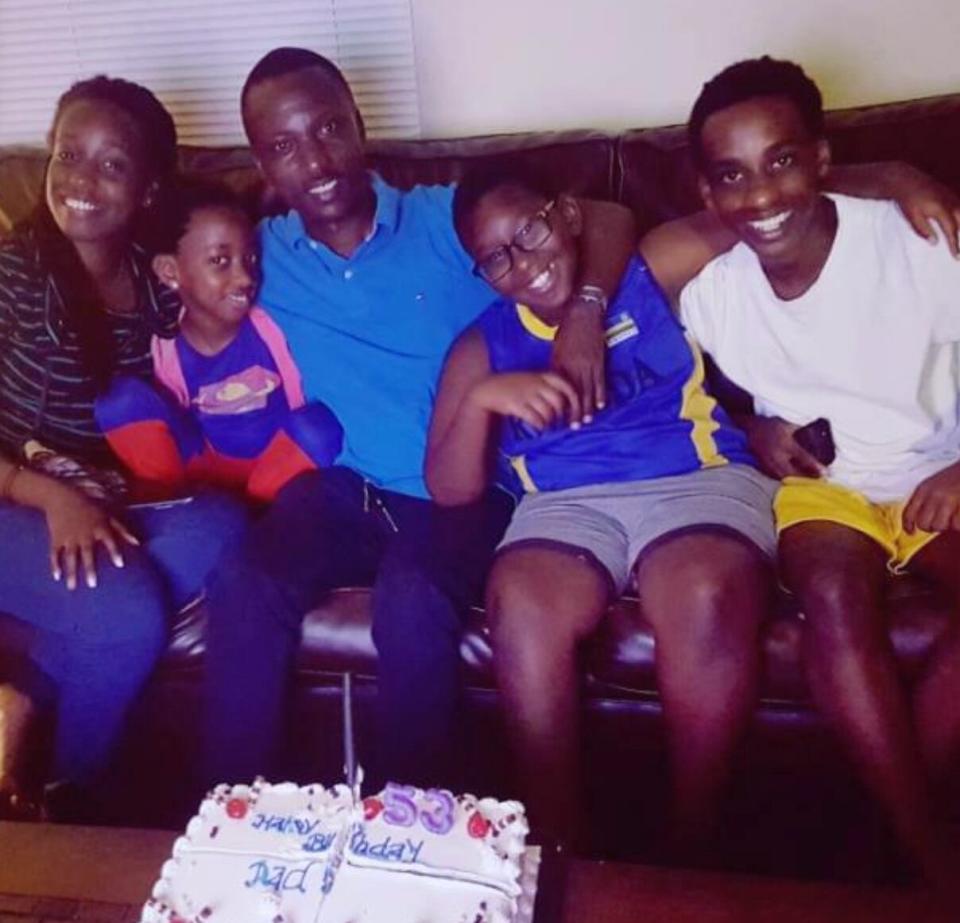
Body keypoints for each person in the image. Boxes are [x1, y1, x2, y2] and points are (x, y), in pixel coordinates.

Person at [201, 47, 636, 788]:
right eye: (284, 146)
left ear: (360, 125)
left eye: (329, 128)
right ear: (263, 166)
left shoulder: (447, 218)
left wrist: (587, 311)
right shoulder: (260, 256)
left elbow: (613, 216)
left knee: (412, 594)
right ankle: (228, 819)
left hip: (465, 486)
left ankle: (411, 828)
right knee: (243, 578)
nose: (317, 160)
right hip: (343, 487)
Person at [654, 55, 960, 881]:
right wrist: (751, 424)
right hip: (825, 488)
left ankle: (885, 819)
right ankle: (930, 855)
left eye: (783, 161)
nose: (761, 197)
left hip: (938, 468)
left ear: (824, 158)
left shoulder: (916, 236)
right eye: (732, 175)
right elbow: (672, 374)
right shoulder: (711, 288)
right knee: (830, 593)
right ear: (707, 191)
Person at [426, 166, 778, 849]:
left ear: (566, 212)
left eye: (529, 232)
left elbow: (754, 209)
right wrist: (483, 400)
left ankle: (694, 841)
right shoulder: (483, 342)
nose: (523, 264)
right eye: (495, 258)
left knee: (701, 588)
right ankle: (560, 846)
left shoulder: (645, 270)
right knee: (521, 600)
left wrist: (892, 175)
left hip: (694, 477)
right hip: (565, 504)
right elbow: (449, 487)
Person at [0, 77, 246, 819]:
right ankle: (64, 799)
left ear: (146, 190)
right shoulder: (13, 272)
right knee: (129, 609)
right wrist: (50, 496)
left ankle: (19, 699)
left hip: (101, 502)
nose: (79, 179)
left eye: (111, 164)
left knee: (221, 525)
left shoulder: (153, 282)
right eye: (69, 153)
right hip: (17, 495)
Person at [94, 181, 343, 502]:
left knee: (318, 427)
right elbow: (176, 415)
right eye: (219, 261)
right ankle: (169, 501)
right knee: (119, 400)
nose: (244, 278)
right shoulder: (167, 345)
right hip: (206, 464)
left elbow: (300, 402)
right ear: (171, 271)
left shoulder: (269, 326)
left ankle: (255, 507)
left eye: (250, 259)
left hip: (275, 466)